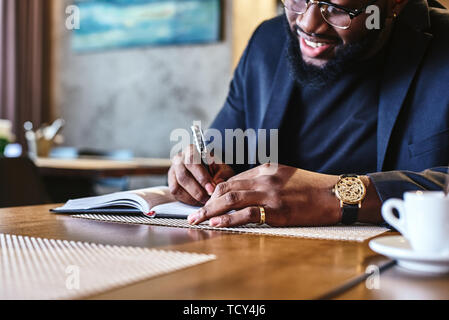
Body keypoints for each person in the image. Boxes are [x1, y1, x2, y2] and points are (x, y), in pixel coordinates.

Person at [168, 0, 449, 228]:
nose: (307, 23)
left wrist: (337, 196)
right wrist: (202, 169)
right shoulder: (267, 42)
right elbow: (226, 150)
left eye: (337, 8)